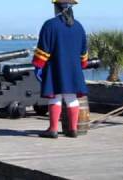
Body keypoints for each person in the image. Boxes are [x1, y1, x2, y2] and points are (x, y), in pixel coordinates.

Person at [32, 0, 89, 138]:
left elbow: (43, 50)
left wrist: (38, 65)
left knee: (55, 97)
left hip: (55, 67)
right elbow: (84, 53)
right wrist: (81, 64)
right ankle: (73, 129)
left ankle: (53, 129)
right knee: (72, 97)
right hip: (74, 69)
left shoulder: (50, 24)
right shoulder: (79, 26)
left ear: (56, 7)